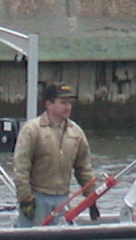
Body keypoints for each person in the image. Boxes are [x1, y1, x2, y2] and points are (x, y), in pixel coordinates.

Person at [13, 82, 99, 227]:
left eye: (69, 103)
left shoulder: (76, 133)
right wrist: (26, 199)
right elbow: (21, 167)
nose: (68, 107)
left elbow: (84, 168)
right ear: (49, 104)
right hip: (37, 198)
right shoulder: (32, 129)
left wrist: (92, 199)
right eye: (63, 103)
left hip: (63, 200)